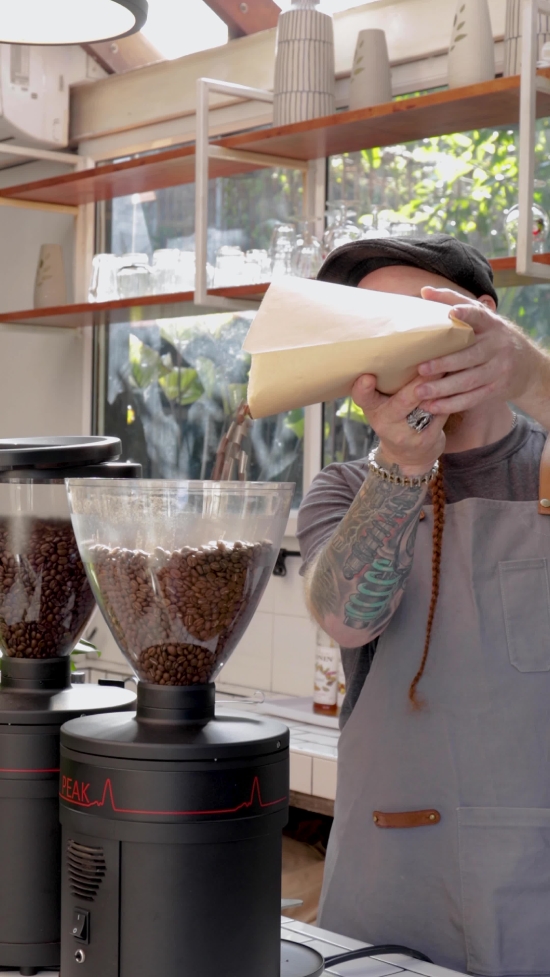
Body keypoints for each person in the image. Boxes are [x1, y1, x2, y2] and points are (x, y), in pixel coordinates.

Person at [296, 234, 550, 976]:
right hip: (393, 872)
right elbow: (345, 618)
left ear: (487, 319)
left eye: (417, 316)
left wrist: (532, 373)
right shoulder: (346, 488)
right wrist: (404, 466)